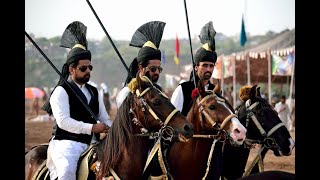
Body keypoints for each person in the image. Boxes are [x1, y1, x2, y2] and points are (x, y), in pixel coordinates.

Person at [41, 21, 112, 180]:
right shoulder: (61, 91)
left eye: (90, 68)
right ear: (72, 69)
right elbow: (64, 122)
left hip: (93, 144)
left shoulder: (94, 91)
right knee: (66, 172)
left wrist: (114, 129)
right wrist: (93, 127)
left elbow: (104, 117)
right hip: (67, 144)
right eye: (83, 68)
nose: (88, 71)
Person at [171, 21, 218, 116]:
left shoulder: (215, 91)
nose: (208, 69)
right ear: (196, 67)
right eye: (205, 65)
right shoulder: (183, 89)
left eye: (211, 66)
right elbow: (173, 121)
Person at [116, 21, 166, 108]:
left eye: (159, 69)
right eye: (153, 69)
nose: (157, 72)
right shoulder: (126, 93)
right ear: (141, 68)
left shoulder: (158, 91)